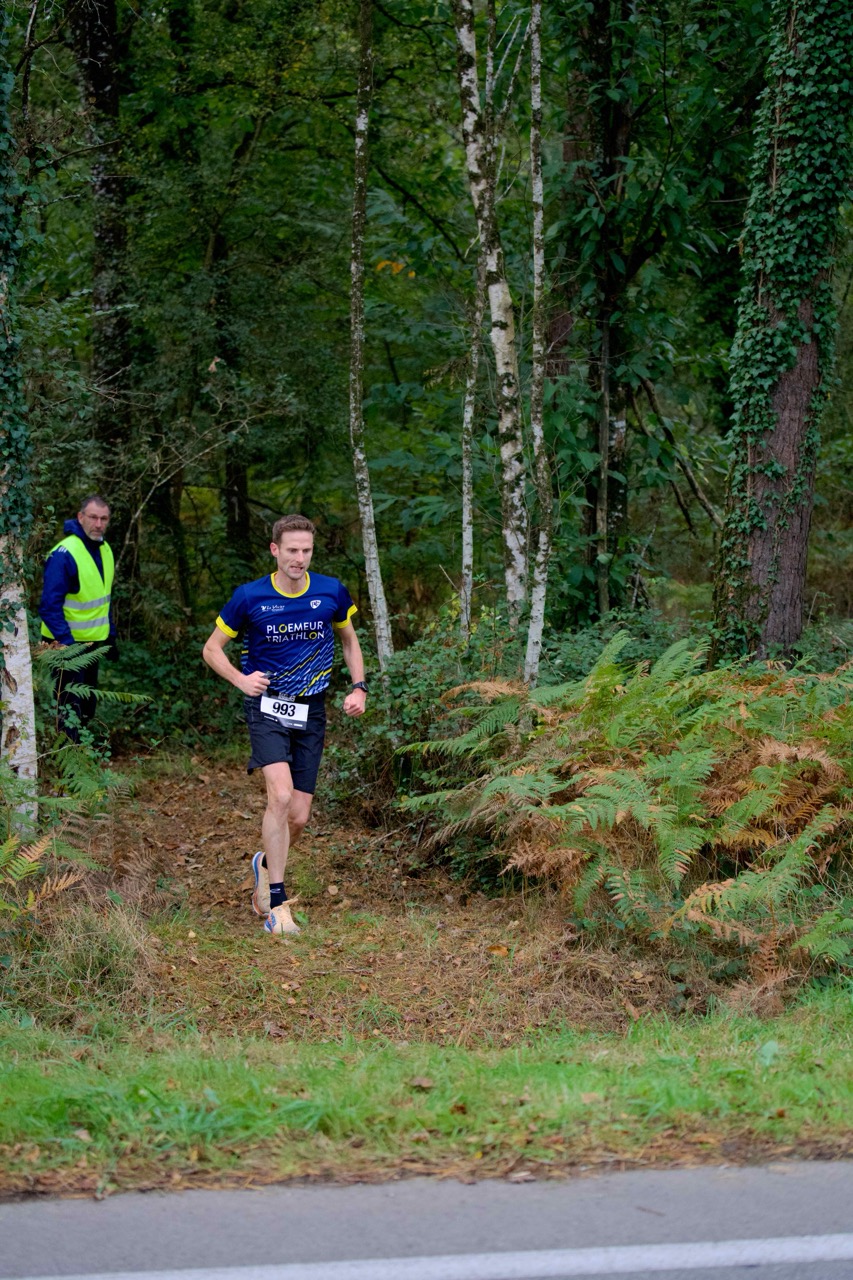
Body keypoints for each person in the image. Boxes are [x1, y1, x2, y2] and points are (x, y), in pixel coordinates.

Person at [202, 514, 367, 938]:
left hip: (311, 710)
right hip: (267, 707)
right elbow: (212, 649)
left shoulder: (330, 590)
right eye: (292, 550)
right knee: (279, 794)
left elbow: (349, 640)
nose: (299, 558)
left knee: (299, 816)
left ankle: (264, 863)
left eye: (306, 550)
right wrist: (240, 680)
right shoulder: (250, 596)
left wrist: (359, 687)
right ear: (275, 550)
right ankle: (277, 904)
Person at [39, 495, 117, 742]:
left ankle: (83, 755)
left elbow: (103, 598)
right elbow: (49, 606)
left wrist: (110, 635)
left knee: (86, 706)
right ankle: (67, 760)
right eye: (93, 517)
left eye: (104, 518)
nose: (98, 524)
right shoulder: (65, 553)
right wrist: (67, 645)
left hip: (92, 643)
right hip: (64, 644)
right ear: (80, 517)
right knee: (68, 709)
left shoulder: (105, 549)